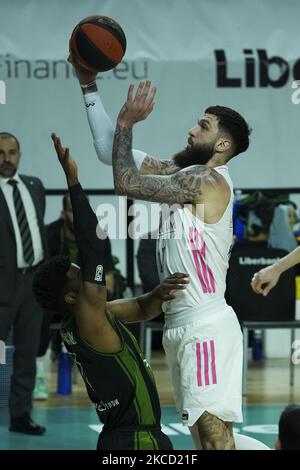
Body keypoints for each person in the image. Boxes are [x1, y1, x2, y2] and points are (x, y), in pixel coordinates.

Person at [70, 61, 251, 449]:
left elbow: (125, 182)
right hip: (183, 325)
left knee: (215, 439)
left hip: (204, 326)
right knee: (206, 439)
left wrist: (126, 123)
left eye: (203, 125)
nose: (191, 128)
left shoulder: (204, 179)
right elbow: (110, 153)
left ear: (222, 145)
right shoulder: (182, 171)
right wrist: (89, 88)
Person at [33, 133, 189, 450]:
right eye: (78, 274)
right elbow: (96, 246)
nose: (86, 273)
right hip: (135, 440)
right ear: (72, 296)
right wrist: (73, 180)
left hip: (123, 438)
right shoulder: (90, 318)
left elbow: (143, 309)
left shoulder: (89, 320)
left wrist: (158, 294)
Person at [0, 132, 48, 435]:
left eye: (12, 152)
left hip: (33, 283)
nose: (6, 159)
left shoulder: (35, 186)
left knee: (28, 353)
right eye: (1, 153)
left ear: (20, 154)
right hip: (2, 285)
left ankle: (20, 415)